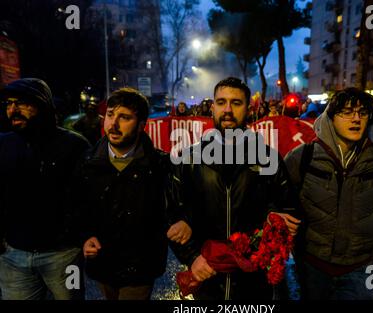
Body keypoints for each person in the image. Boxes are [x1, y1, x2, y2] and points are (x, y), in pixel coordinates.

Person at [170, 77, 300, 300]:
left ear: (249, 109)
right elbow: (172, 213)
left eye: (236, 103)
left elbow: (288, 210)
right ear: (212, 108)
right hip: (206, 276)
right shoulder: (189, 159)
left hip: (254, 282)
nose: (227, 110)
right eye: (221, 102)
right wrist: (192, 257)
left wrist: (277, 224)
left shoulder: (268, 158)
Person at [77, 87, 190, 300]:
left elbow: (176, 206)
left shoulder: (161, 165)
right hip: (102, 265)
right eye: (110, 115)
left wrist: (183, 221)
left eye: (124, 117)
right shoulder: (87, 162)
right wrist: (85, 236)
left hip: (140, 269)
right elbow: (77, 206)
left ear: (141, 126)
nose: (114, 124)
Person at [285, 88, 373, 300]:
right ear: (330, 117)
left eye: (362, 113)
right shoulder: (303, 156)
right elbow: (282, 200)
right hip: (311, 264)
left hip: (361, 265)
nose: (356, 119)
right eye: (346, 112)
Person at [0, 78, 90, 300]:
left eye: (22, 103)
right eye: (9, 103)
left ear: (42, 105)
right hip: (14, 257)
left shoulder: (75, 145)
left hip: (66, 256)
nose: (13, 110)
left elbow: (90, 198)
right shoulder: (3, 144)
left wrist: (79, 238)